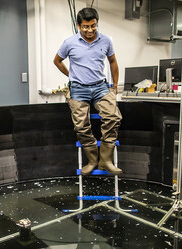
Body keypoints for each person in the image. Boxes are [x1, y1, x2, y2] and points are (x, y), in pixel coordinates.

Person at [53, 7, 122, 175]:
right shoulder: (69, 42)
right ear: (78, 25)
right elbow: (57, 61)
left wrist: (115, 85)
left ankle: (105, 160)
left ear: (96, 24)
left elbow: (113, 61)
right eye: (86, 26)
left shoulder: (106, 41)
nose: (90, 30)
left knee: (113, 117)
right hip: (78, 89)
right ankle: (92, 160)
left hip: (100, 87)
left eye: (93, 26)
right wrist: (71, 75)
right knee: (81, 126)